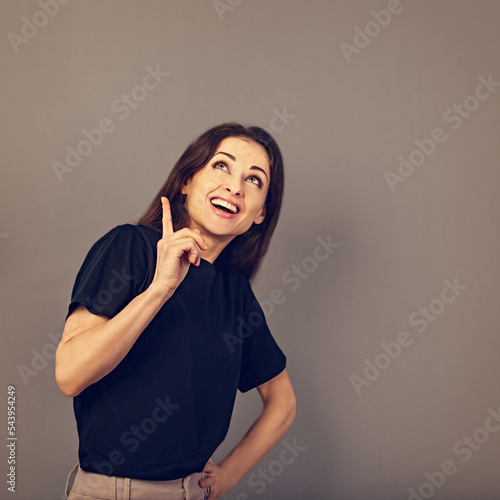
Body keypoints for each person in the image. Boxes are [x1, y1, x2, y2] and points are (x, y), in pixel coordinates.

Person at [55, 122, 296, 500]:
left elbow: (283, 402)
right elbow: (70, 375)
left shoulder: (235, 294)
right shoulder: (130, 247)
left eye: (254, 180)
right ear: (186, 180)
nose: (234, 186)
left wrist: (229, 475)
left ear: (260, 213)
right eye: (222, 166)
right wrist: (159, 290)